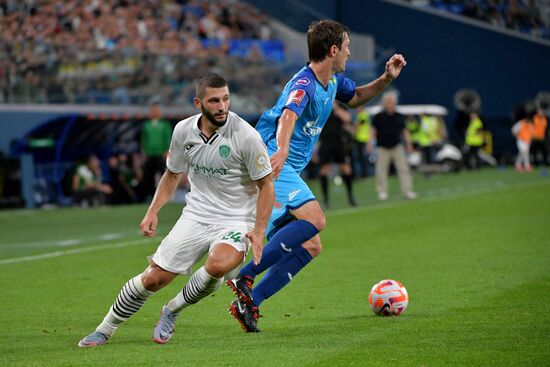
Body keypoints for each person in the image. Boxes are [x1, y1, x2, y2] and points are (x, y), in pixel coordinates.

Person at [226, 19, 407, 332]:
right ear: (333, 49)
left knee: (311, 245)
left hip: (284, 166)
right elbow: (288, 115)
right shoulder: (304, 83)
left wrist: (386, 79)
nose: (349, 53)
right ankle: (245, 275)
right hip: (269, 161)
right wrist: (281, 151)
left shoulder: (334, 81)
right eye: (347, 47)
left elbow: (358, 98)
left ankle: (250, 301)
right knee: (316, 218)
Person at [78, 73, 274, 347]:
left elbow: (266, 184)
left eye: (226, 99)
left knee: (218, 264)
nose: (222, 106)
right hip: (196, 214)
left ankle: (173, 309)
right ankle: (105, 328)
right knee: (154, 279)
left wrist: (259, 229)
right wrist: (152, 211)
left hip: (236, 218)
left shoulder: (246, 136)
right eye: (214, 100)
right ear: (198, 103)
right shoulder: (183, 131)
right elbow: (172, 175)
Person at [368, 91, 417, 201]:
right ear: (384, 103)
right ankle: (382, 191)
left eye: (391, 102)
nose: (389, 104)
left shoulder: (399, 116)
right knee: (381, 170)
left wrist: (408, 144)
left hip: (397, 146)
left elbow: (404, 131)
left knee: (403, 169)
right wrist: (370, 143)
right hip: (382, 147)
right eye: (387, 102)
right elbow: (373, 130)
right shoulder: (378, 116)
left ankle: (407, 190)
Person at [318, 101, 356, 208]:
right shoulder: (321, 104)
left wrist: (336, 108)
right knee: (323, 170)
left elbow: (347, 119)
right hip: (325, 143)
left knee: (346, 169)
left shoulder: (339, 105)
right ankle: (326, 200)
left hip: (339, 142)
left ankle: (351, 197)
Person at [141, 101, 173, 201]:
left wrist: (167, 150)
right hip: (150, 154)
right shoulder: (147, 125)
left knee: (163, 176)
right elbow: (144, 139)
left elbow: (168, 138)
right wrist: (144, 151)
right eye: (153, 110)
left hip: (161, 154)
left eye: (156, 110)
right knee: (149, 176)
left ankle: (165, 196)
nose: (155, 112)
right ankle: (150, 197)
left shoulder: (165, 125)